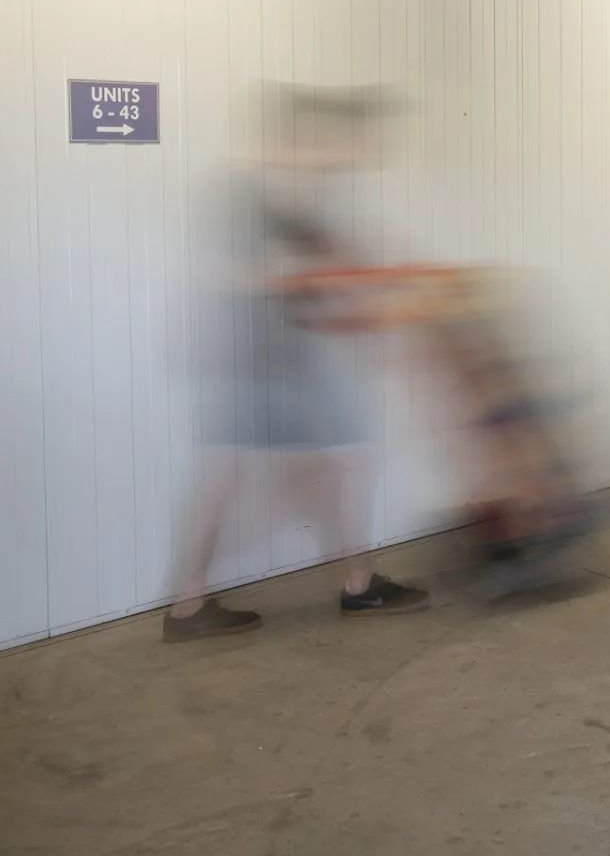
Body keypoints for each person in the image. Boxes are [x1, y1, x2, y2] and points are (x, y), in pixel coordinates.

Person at [163, 83, 427, 642]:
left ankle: (193, 602)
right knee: (310, 473)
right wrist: (305, 278)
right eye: (341, 142)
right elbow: (227, 273)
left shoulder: (290, 200)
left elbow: (331, 259)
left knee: (269, 474)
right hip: (260, 363)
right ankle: (353, 586)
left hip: (280, 360)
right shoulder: (243, 192)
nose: (350, 154)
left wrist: (370, 279)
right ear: (302, 137)